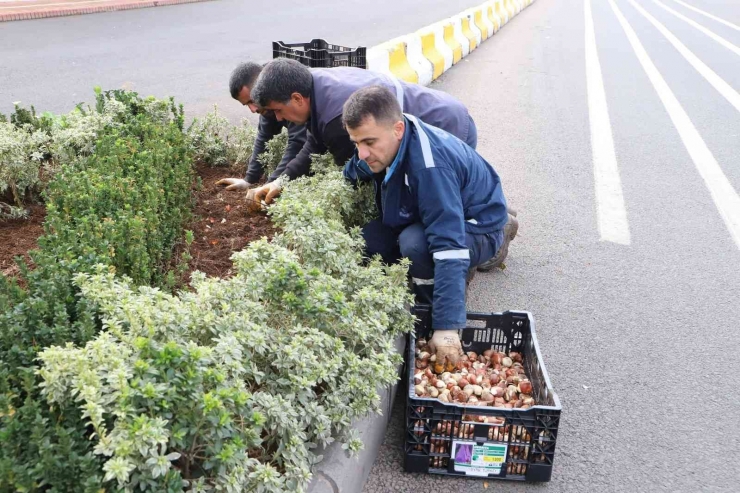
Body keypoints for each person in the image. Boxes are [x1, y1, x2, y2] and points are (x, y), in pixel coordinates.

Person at [341, 85, 517, 365]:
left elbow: (448, 246)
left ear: (397, 130)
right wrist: (343, 177)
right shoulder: (391, 140)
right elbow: (358, 165)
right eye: (356, 143)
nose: (362, 152)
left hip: (477, 225)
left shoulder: (430, 166)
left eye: (369, 143)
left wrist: (446, 327)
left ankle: (494, 243)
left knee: (416, 246)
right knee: (369, 240)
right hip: (445, 211)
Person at [247, 58, 477, 205]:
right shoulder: (312, 83)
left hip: (446, 126)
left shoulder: (337, 118)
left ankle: (493, 230)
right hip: (442, 111)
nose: (278, 118)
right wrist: (280, 181)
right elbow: (314, 145)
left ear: (296, 98)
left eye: (277, 110)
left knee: (437, 202)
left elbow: (359, 175)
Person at [215, 62, 307, 194]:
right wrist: (249, 180)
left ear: (261, 86)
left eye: (252, 101)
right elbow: (264, 136)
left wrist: (270, 185)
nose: (253, 109)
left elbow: (298, 143)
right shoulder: (266, 102)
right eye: (246, 104)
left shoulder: (285, 92)